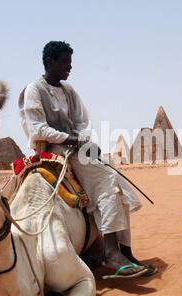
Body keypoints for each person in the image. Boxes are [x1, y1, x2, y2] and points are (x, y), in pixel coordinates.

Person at [19, 41, 155, 278]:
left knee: (117, 186)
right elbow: (37, 128)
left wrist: (83, 140)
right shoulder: (34, 90)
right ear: (50, 61)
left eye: (70, 63)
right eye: (65, 62)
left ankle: (124, 251)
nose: (69, 68)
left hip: (76, 147)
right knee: (107, 180)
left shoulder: (69, 90)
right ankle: (110, 254)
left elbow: (83, 121)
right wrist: (73, 141)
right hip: (55, 150)